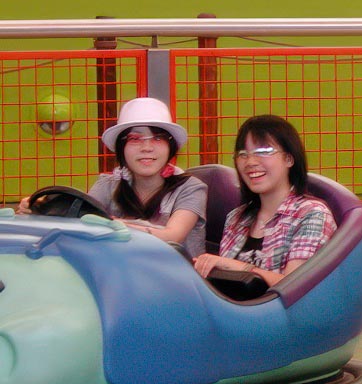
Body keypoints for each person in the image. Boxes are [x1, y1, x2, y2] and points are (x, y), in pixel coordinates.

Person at [17, 97, 208, 257]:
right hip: (119, 277)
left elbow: (173, 236)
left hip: (181, 285)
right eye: (135, 139)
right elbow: (82, 219)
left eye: (157, 138)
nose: (147, 148)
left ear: (170, 146)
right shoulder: (108, 184)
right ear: (121, 147)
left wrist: (111, 223)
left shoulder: (191, 187)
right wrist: (42, 209)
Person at [193, 115, 336, 287]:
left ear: (289, 159)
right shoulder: (237, 218)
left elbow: (297, 287)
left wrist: (240, 267)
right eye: (243, 154)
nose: (251, 162)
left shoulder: (311, 214)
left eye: (264, 152)